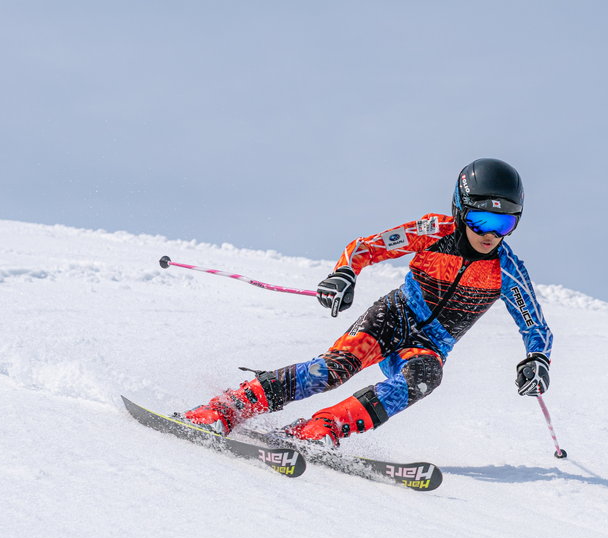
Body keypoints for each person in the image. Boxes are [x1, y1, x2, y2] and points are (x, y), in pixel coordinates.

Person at [180, 158, 553, 447]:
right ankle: (226, 408)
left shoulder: (507, 270)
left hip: (428, 346)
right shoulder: (434, 232)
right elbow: (365, 247)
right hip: (392, 318)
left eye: (504, 224)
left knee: (425, 378)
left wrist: (537, 359)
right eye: (480, 219)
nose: (490, 234)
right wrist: (344, 273)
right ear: (460, 209)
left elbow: (534, 324)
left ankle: (321, 428)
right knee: (331, 371)